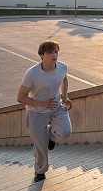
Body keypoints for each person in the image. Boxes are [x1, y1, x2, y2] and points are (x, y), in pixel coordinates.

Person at [17, 40, 73, 182]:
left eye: (56, 52)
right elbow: (20, 97)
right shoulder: (32, 73)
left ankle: (51, 137)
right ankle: (40, 171)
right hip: (36, 113)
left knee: (66, 132)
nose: (54, 55)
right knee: (41, 147)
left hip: (55, 108)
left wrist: (64, 96)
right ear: (42, 55)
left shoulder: (62, 67)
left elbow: (64, 79)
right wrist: (42, 103)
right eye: (50, 52)